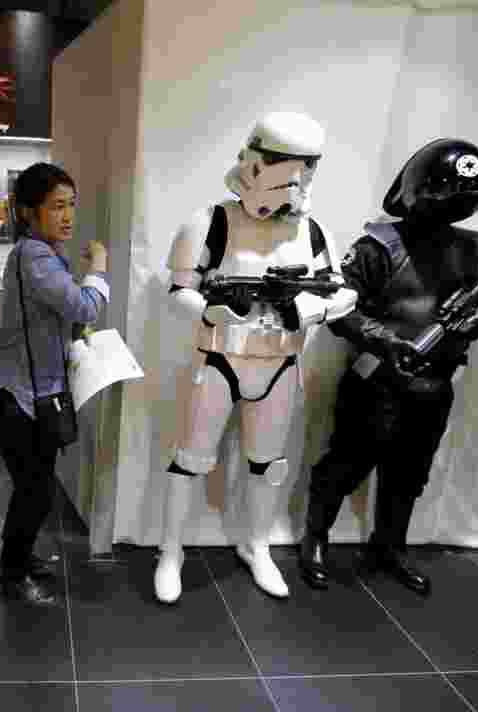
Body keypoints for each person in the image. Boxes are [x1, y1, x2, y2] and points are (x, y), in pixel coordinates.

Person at [155, 112, 358, 602]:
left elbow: (343, 294)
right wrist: (213, 311)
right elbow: (178, 290)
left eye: (306, 170)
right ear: (256, 165)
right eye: (289, 169)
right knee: (190, 461)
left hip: (280, 363)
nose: (297, 182)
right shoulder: (212, 222)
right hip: (220, 360)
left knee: (268, 464)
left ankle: (257, 545)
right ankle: (171, 551)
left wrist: (310, 310)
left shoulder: (311, 233)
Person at [298, 138, 478, 595]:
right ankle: (314, 541)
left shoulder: (475, 251)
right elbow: (339, 309)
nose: (456, 210)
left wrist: (475, 319)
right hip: (376, 378)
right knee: (346, 464)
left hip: (435, 383)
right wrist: (386, 340)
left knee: (410, 472)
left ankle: (388, 547)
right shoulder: (378, 247)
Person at [0, 162, 109, 606]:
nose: (68, 215)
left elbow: (59, 318)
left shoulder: (46, 255)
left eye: (71, 205)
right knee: (33, 491)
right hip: (15, 397)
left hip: (35, 394)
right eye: (56, 207)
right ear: (29, 212)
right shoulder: (34, 256)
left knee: (35, 488)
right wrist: (100, 270)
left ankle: (21, 558)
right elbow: (84, 306)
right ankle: (11, 576)